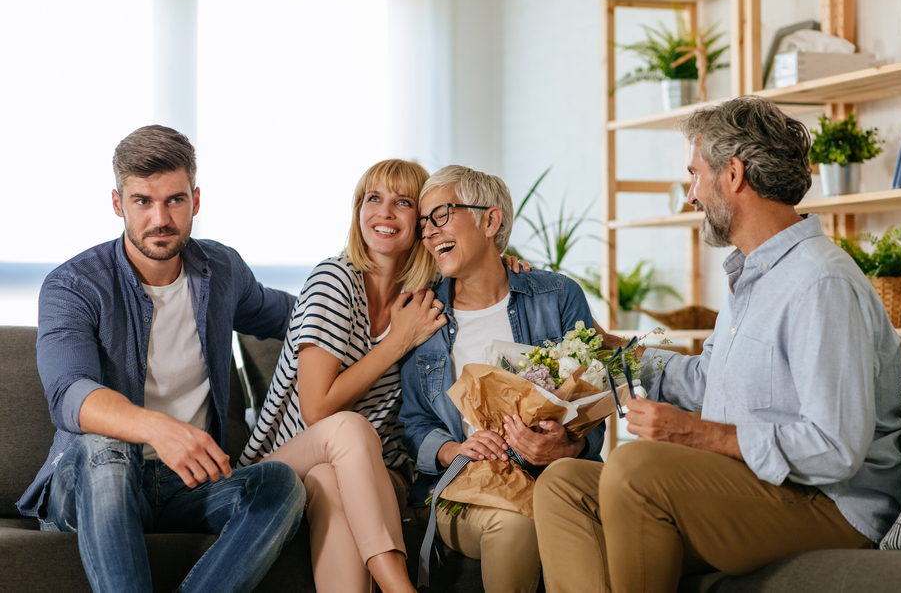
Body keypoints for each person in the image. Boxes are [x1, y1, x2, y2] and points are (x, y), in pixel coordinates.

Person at [534, 96, 901, 593]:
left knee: (634, 465)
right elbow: (710, 380)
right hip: (754, 484)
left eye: (694, 175)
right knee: (564, 484)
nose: (691, 195)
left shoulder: (821, 283)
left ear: (732, 174)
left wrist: (695, 434)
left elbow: (835, 448)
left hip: (831, 507)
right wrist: (615, 351)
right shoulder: (750, 275)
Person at [18, 125, 305, 593]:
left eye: (174, 200)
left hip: (185, 486)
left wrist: (386, 308)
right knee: (102, 446)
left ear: (196, 199)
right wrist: (160, 430)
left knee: (279, 484)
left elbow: (297, 315)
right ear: (118, 204)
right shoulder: (73, 285)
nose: (160, 218)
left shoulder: (222, 270)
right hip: (93, 484)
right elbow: (70, 396)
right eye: (142, 202)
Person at [241, 159, 529, 593]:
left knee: (329, 478)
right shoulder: (334, 280)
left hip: (377, 473)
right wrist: (396, 342)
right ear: (358, 211)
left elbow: (475, 263)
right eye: (372, 199)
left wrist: (503, 262)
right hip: (282, 463)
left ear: (424, 222)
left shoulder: (427, 294)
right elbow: (317, 408)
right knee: (348, 431)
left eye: (403, 202)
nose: (384, 212)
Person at [400, 165, 606, 593]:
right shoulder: (423, 317)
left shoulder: (557, 296)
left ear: (490, 221)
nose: (430, 232)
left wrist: (567, 445)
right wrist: (455, 449)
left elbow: (592, 405)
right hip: (460, 486)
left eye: (441, 215)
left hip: (555, 476)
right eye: (424, 223)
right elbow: (414, 424)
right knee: (516, 526)